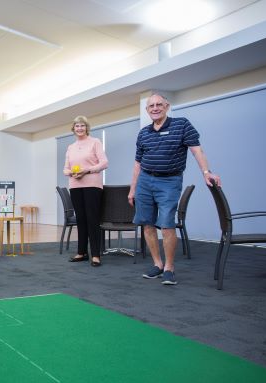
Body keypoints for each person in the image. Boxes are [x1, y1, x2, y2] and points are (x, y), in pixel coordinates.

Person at [128, 93, 221, 285]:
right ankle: (157, 264)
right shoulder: (143, 133)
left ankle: (169, 268)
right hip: (145, 179)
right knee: (147, 224)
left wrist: (206, 172)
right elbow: (137, 163)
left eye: (159, 105)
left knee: (167, 224)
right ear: (147, 110)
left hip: (169, 180)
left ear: (167, 106)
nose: (155, 108)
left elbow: (197, 150)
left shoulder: (182, 124)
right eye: (151, 106)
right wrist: (133, 189)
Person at [63, 116, 108, 267]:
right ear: (73, 129)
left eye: (82, 125)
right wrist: (71, 173)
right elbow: (65, 168)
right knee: (81, 219)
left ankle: (95, 254)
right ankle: (81, 252)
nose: (80, 128)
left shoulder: (95, 142)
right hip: (75, 185)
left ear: (86, 127)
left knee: (92, 219)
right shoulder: (71, 147)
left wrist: (87, 170)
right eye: (77, 126)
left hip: (92, 185)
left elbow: (104, 163)